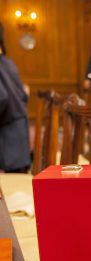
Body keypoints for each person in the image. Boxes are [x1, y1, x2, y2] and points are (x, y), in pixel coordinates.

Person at [0, 22, 31, 173]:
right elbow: (24, 96)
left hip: (9, 142)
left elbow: (2, 99)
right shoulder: (7, 63)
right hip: (18, 137)